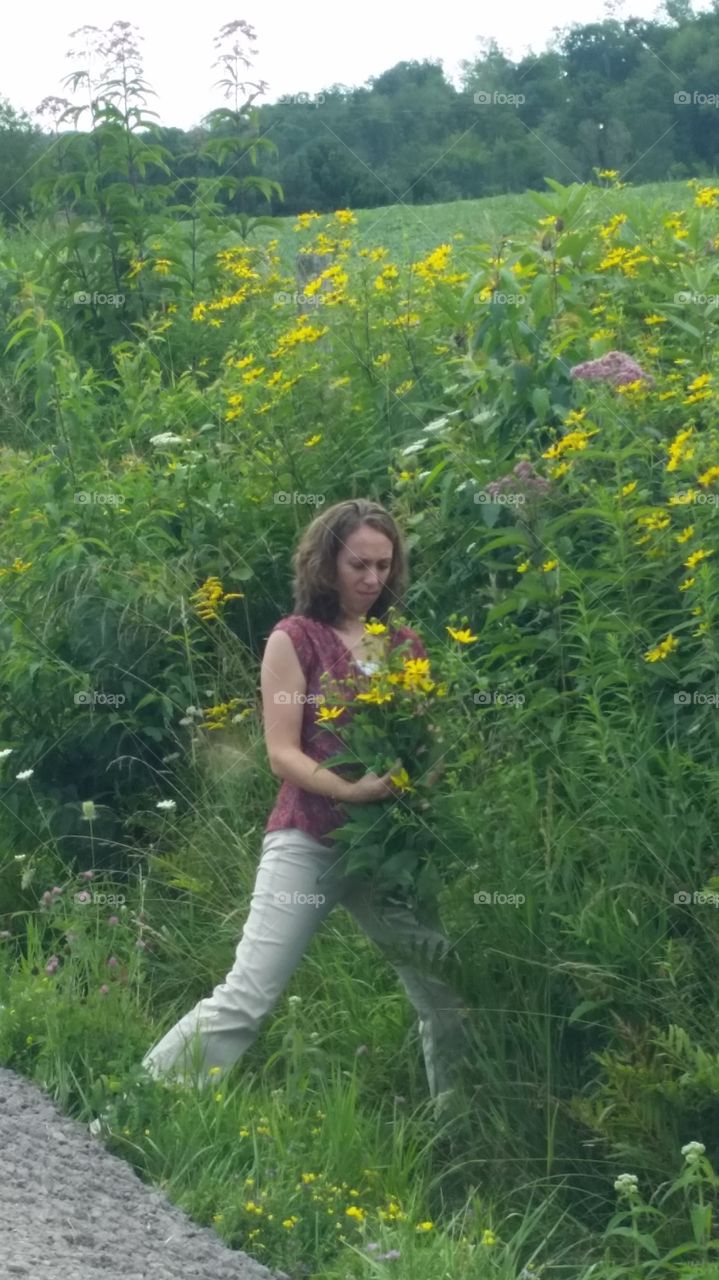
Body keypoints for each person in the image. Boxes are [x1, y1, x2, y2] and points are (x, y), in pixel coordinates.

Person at [141, 498, 472, 1112]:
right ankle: (142, 1100)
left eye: (383, 566)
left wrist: (424, 779)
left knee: (445, 992)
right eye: (358, 566)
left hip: (387, 845)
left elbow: (426, 742)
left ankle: (460, 1131)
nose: (372, 580)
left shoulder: (405, 644)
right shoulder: (296, 639)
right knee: (249, 993)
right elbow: (281, 754)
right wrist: (349, 790)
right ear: (325, 564)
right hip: (309, 838)